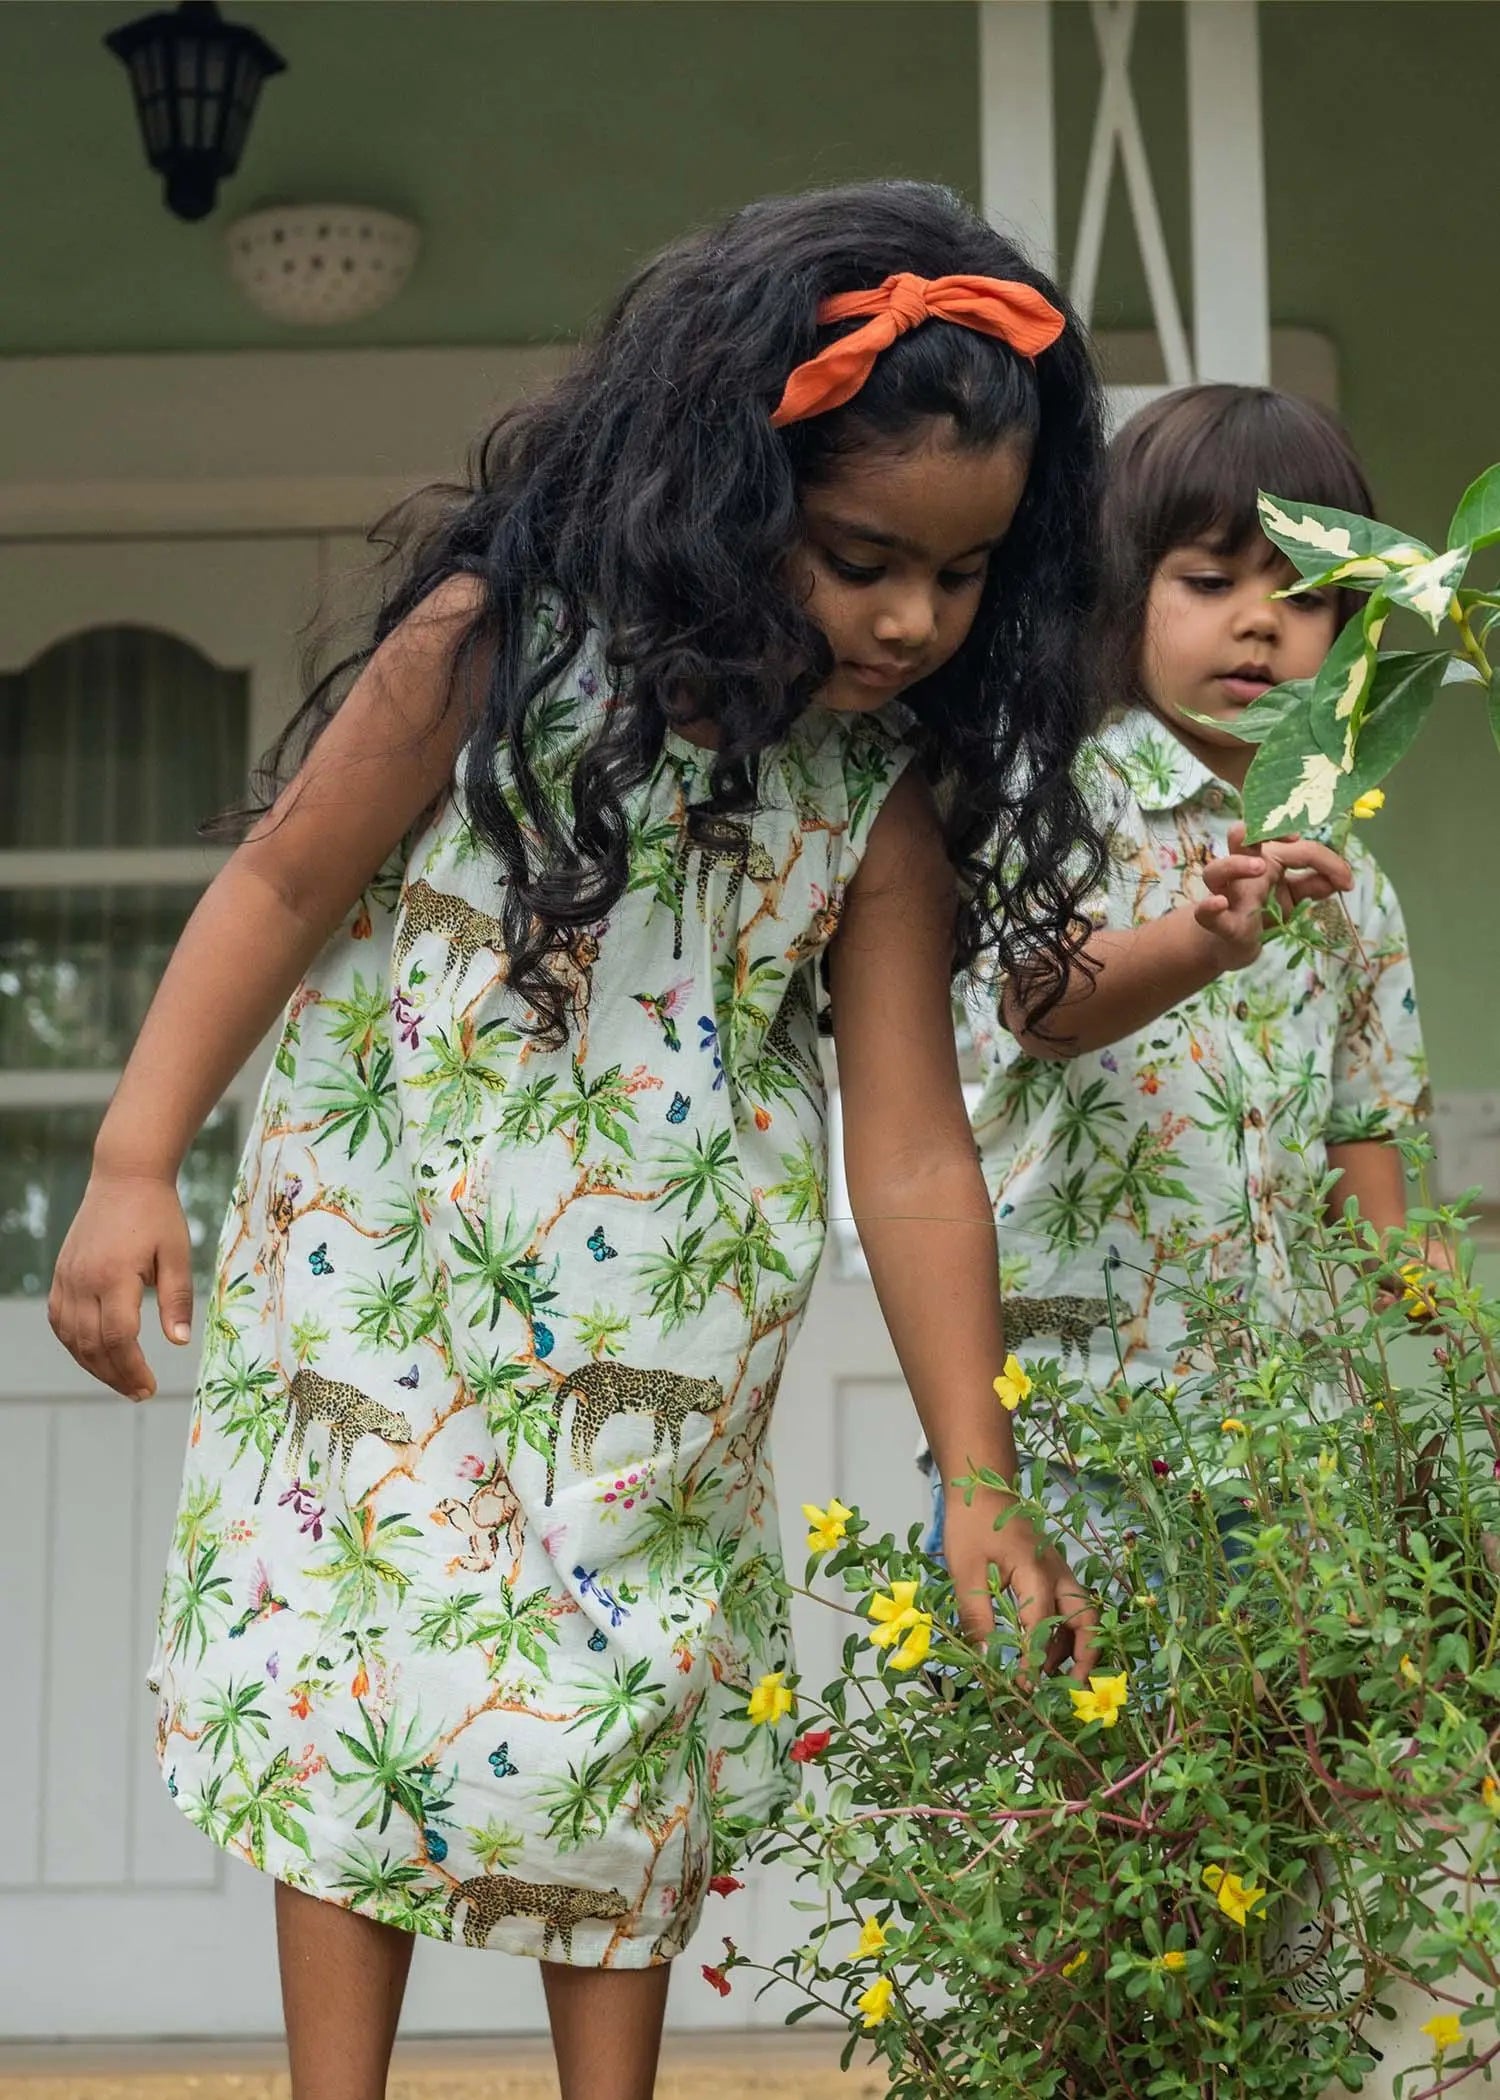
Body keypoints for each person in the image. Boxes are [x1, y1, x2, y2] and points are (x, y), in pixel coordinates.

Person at [49, 181, 1106, 2100]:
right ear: (729, 489)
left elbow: (919, 1151)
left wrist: (979, 1474)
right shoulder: (494, 647)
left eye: (961, 579)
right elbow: (286, 882)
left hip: (668, 1334)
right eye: (866, 555)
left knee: (633, 1705)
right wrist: (133, 1159)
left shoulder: (875, 792)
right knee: (348, 1667)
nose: (907, 616)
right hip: (379, 1253)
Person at [924, 383, 1430, 1540]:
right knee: (1075, 1722)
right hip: (1078, 1437)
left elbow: (1365, 1133)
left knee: (1276, 1729)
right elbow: (1041, 1001)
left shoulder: (1347, 868)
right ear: (1121, 594)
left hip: (1297, 1448)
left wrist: (1442, 1305)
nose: (1261, 624)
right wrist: (1200, 942)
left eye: (1307, 600)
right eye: (1210, 583)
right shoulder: (1058, 797)